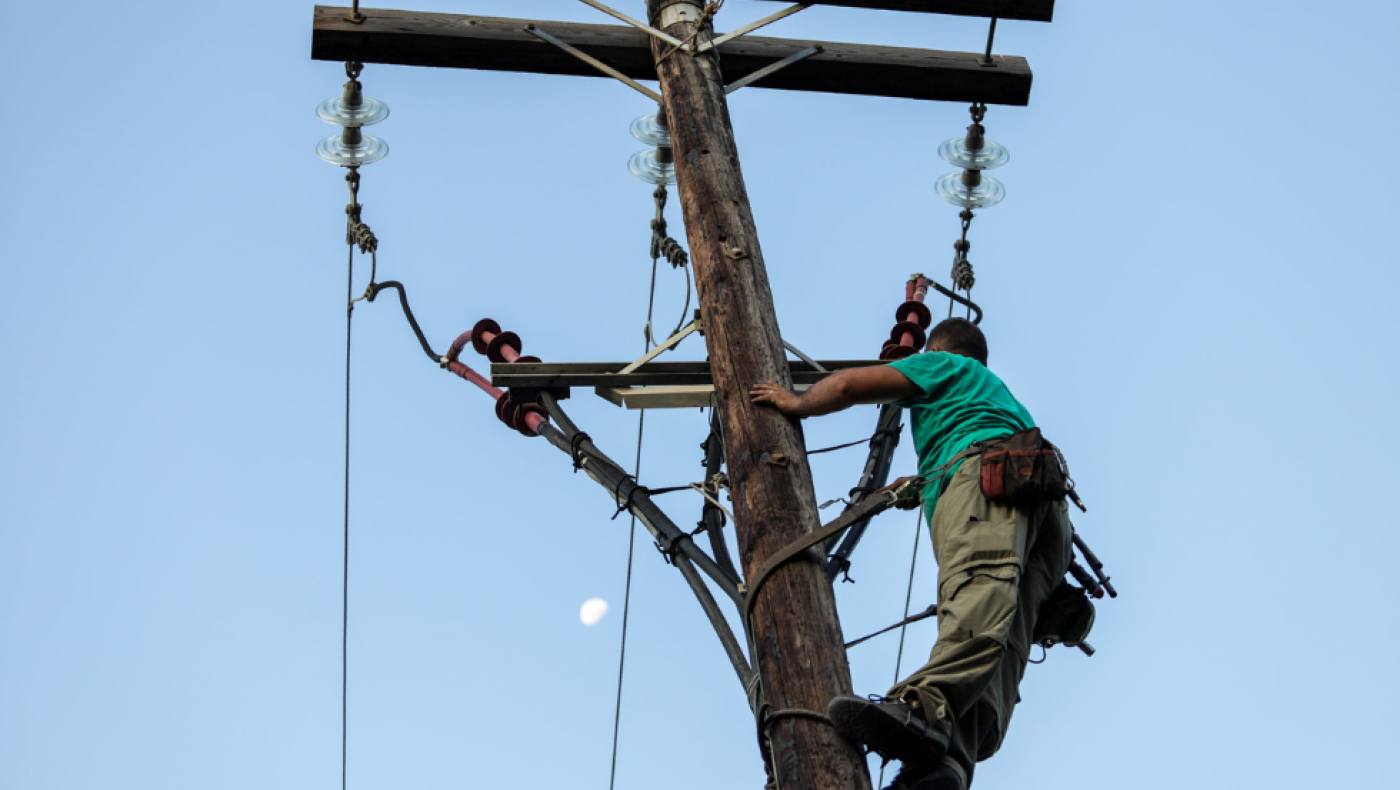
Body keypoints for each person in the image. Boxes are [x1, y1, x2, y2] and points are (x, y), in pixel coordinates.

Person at [749, 317, 1073, 790]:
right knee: (1006, 635)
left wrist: (795, 402)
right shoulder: (997, 397)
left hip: (992, 484)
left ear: (941, 349)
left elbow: (847, 385)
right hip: (1048, 514)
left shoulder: (944, 366)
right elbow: (970, 443)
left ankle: (922, 707)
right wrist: (917, 486)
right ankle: (945, 767)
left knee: (975, 594)